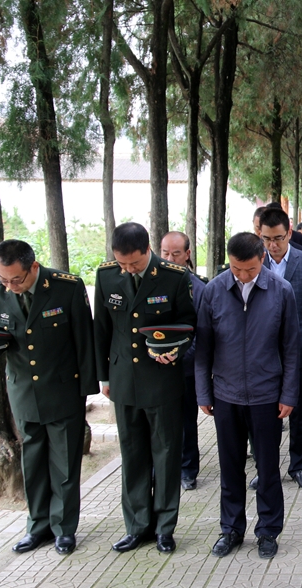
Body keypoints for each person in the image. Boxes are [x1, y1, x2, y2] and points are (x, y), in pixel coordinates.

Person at [0, 240, 97, 555]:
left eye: (17, 279)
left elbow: (84, 340)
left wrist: (87, 389)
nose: (10, 286)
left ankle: (63, 529)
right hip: (24, 393)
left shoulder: (67, 287)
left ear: (34, 267)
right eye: (4, 279)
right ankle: (37, 527)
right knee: (33, 464)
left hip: (64, 390)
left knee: (64, 466)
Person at [195, 232, 301, 559]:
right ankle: (231, 529)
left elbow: (291, 348)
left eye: (250, 269)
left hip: (267, 395)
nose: (242, 276)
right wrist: (203, 392)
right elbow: (203, 349)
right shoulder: (214, 290)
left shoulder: (281, 290)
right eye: (236, 269)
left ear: (263, 259)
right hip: (226, 395)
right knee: (230, 467)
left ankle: (268, 530)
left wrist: (289, 394)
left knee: (267, 468)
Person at [94, 222, 197, 554]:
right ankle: (137, 526)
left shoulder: (173, 277)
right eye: (122, 263)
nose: (128, 269)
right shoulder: (106, 275)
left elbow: (188, 323)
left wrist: (175, 350)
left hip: (162, 379)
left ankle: (165, 528)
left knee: (166, 455)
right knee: (133, 455)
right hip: (123, 380)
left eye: (134, 263)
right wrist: (104, 378)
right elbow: (102, 329)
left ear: (148, 250)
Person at [260, 207, 302, 489]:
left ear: (289, 234)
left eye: (278, 238)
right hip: (263, 352)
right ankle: (266, 469)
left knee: (301, 413)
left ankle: (299, 466)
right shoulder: (256, 261)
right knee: (265, 415)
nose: (272, 245)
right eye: (266, 239)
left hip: (298, 350)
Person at [159, 231, 208, 491]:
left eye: (175, 254)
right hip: (157, 367)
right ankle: (161, 469)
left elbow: (203, 334)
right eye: (165, 253)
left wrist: (180, 355)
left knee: (187, 422)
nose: (169, 259)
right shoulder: (154, 285)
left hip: (186, 368)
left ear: (187, 255)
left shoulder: (198, 289)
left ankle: (188, 469)